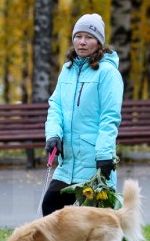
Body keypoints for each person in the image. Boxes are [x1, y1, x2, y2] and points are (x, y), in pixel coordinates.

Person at [41, 13, 124, 217]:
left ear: (99, 42)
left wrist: (105, 155)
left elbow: (109, 117)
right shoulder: (67, 70)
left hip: (94, 162)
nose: (82, 42)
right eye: (78, 36)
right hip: (67, 162)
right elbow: (56, 106)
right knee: (50, 209)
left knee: (97, 224)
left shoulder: (107, 73)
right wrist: (53, 135)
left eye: (89, 37)